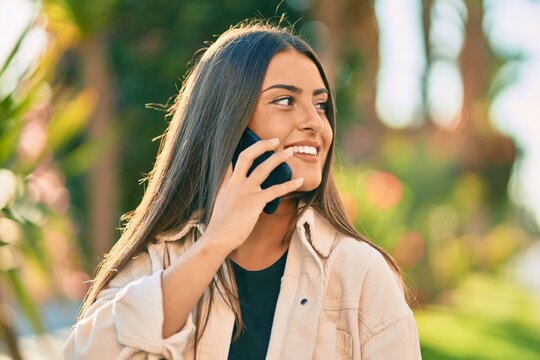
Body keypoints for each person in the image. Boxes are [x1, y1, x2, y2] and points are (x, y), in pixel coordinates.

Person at [64, 20, 422, 360]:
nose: (315, 123)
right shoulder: (162, 262)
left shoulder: (361, 273)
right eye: (285, 100)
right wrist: (216, 242)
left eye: (320, 104)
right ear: (230, 124)